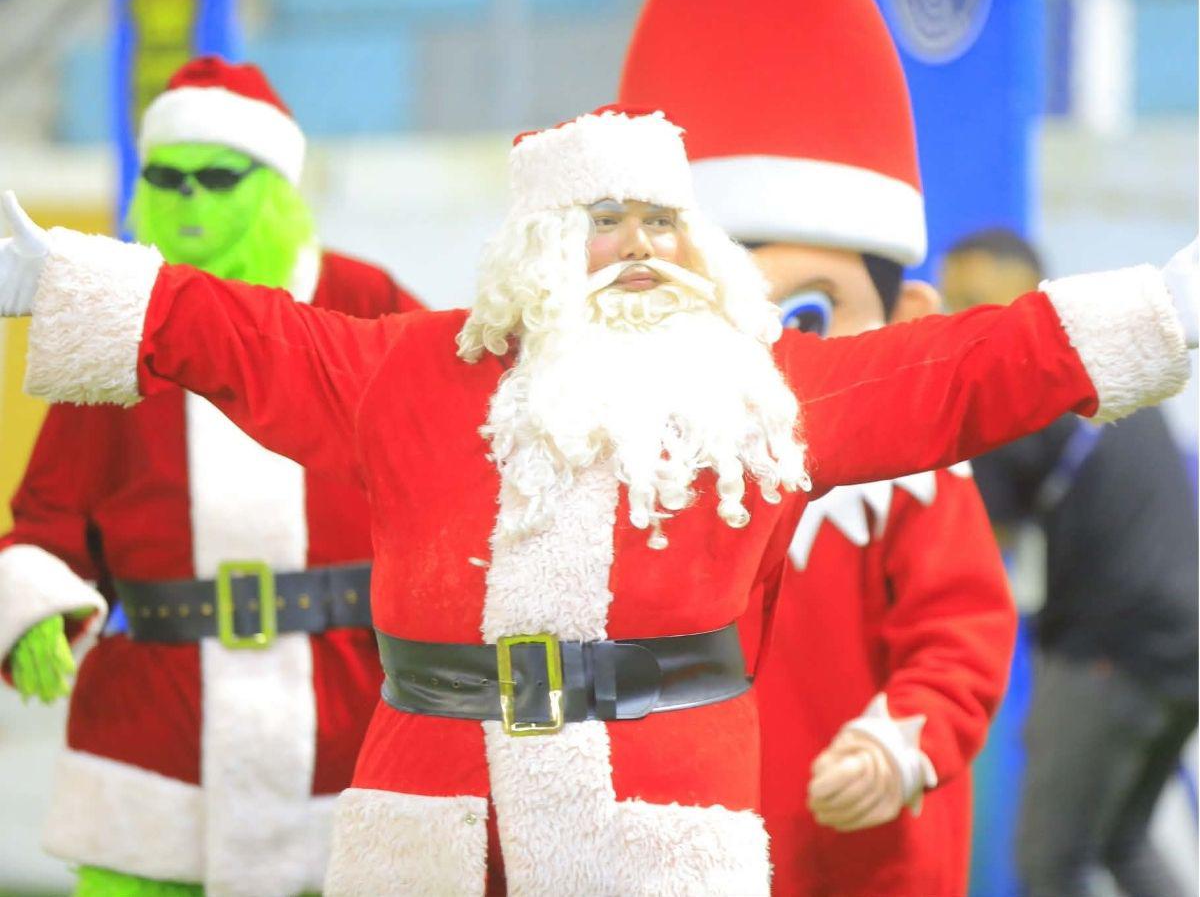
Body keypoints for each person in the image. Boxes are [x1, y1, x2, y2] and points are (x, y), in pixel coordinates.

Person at [0, 102, 1193, 895]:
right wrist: (57, 278)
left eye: (662, 220)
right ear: (531, 250)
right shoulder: (409, 371)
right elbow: (240, 333)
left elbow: (971, 369)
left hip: (663, 816)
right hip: (435, 812)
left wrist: (1160, 315)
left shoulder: (760, 389)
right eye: (603, 221)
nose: (640, 244)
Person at [0, 57, 421, 897]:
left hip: (347, 703)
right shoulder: (106, 316)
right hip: (159, 717)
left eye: (216, 176)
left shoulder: (361, 296)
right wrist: (34, 604)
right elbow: (51, 507)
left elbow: (439, 460)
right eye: (167, 175)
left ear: (274, 182)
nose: (188, 196)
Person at [620, 1, 1015, 894]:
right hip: (683, 852)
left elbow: (962, 634)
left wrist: (899, 738)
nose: (771, 355)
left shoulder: (910, 482)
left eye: (806, 314)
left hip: (860, 856)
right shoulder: (635, 474)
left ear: (908, 322)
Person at [942, 228, 1199, 897]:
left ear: (1031, 295)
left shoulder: (1010, 389)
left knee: (1048, 862)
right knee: (1123, 841)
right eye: (950, 301)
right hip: (1183, 645)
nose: (958, 319)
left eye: (976, 299)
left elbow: (966, 555)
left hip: (1111, 651)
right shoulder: (1102, 366)